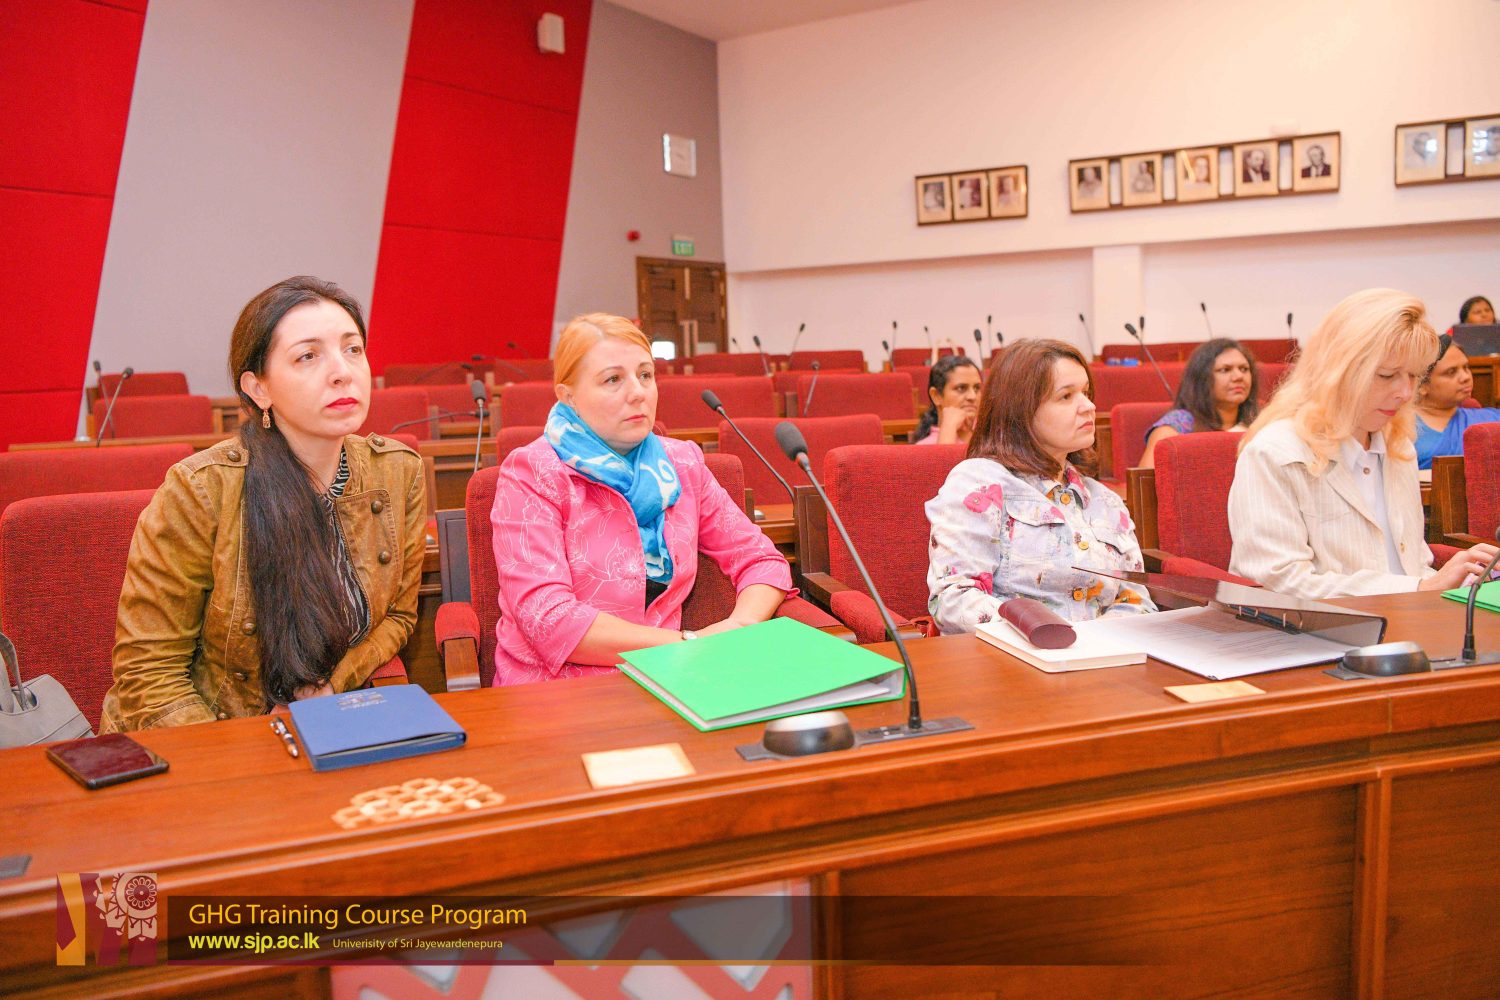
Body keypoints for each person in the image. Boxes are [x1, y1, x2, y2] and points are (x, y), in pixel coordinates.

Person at [101, 277, 426, 730]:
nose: (342, 372)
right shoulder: (200, 490)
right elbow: (149, 673)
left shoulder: (398, 472)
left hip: (324, 723)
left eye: (352, 349)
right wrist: (243, 752)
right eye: (308, 356)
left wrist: (328, 689)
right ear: (258, 389)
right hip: (202, 737)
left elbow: (399, 616)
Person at [490, 314, 791, 684]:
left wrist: (740, 627)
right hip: (557, 690)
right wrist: (690, 644)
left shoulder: (682, 464)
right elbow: (548, 619)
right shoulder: (532, 473)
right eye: (613, 379)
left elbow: (761, 560)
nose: (638, 392)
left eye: (645, 375)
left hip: (671, 678)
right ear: (568, 397)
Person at [1228, 288, 1499, 598]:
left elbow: (1411, 564)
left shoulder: (1398, 446)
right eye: (1386, 375)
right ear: (1337, 372)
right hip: (1331, 627)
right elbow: (1277, 583)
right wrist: (1422, 587)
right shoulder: (1274, 453)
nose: (1405, 393)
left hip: (1409, 617)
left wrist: (1457, 579)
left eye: (1413, 376)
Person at [926, 339, 1154, 633]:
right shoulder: (979, 484)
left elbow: (1137, 599)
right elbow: (954, 600)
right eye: (1066, 396)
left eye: (1085, 393)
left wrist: (1096, 640)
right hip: (1011, 654)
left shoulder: (1105, 500)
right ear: (1021, 410)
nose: (1089, 406)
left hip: (1105, 652)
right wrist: (1050, 633)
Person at [1139, 338, 1260, 468]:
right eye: (1225, 370)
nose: (1239, 376)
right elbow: (1146, 479)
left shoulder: (1260, 420)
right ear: (1201, 378)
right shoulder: (1176, 427)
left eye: (1244, 369)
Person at [1414, 335, 1500, 469]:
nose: (1466, 377)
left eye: (1466, 367)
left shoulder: (1492, 418)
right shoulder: (1400, 429)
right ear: (1421, 385)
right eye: (1451, 372)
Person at [913, 355, 984, 445]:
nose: (972, 396)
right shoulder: (923, 447)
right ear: (936, 396)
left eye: (977, 388)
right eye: (961, 388)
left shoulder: (991, 436)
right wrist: (949, 427)